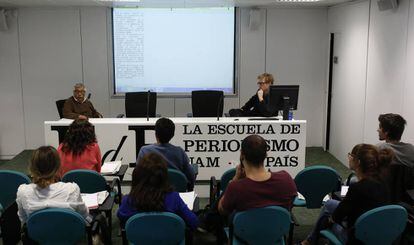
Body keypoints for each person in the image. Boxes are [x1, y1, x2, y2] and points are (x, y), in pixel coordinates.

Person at [300, 144, 393, 245]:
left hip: (357, 238)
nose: (349, 158)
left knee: (327, 221)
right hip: (379, 234)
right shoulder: (383, 182)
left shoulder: (357, 188)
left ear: (358, 162)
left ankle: (310, 241)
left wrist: (329, 221)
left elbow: (337, 217)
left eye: (350, 156)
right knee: (330, 204)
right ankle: (309, 241)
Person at [218, 135, 297, 215]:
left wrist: (234, 180)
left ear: (242, 154)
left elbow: (222, 210)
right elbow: (290, 205)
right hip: (279, 226)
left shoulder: (235, 187)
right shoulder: (286, 179)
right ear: (266, 155)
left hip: (246, 227)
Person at [117, 153, 199, 230]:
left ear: (137, 176)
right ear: (164, 177)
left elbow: (122, 219)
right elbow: (193, 222)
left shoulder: (128, 201)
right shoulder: (174, 198)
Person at [16, 146, 89, 224]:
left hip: (37, 235)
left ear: (32, 167)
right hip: (69, 234)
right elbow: (83, 215)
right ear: (58, 167)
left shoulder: (23, 191)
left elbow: (24, 220)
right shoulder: (71, 189)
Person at [137, 117, 196, 190]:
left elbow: (138, 175)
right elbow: (191, 176)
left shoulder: (144, 151)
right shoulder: (180, 152)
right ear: (172, 135)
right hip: (176, 194)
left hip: (150, 195)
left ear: (155, 134)